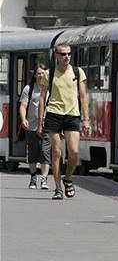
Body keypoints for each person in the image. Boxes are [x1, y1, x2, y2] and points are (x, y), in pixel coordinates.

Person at [37, 44, 90, 200]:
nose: (67, 57)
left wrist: (86, 118)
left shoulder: (78, 72)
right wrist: (40, 122)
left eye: (68, 54)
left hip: (72, 115)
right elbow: (42, 98)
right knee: (57, 152)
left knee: (74, 152)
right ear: (56, 56)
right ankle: (58, 188)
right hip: (54, 114)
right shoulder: (49, 73)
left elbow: (83, 96)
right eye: (63, 54)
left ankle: (68, 178)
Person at [19, 65, 52, 190]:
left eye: (43, 73)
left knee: (45, 152)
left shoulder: (50, 89)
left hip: (47, 125)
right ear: (34, 75)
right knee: (32, 154)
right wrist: (23, 119)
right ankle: (33, 177)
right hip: (31, 126)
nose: (41, 76)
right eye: (39, 73)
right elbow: (23, 106)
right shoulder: (29, 89)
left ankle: (44, 179)